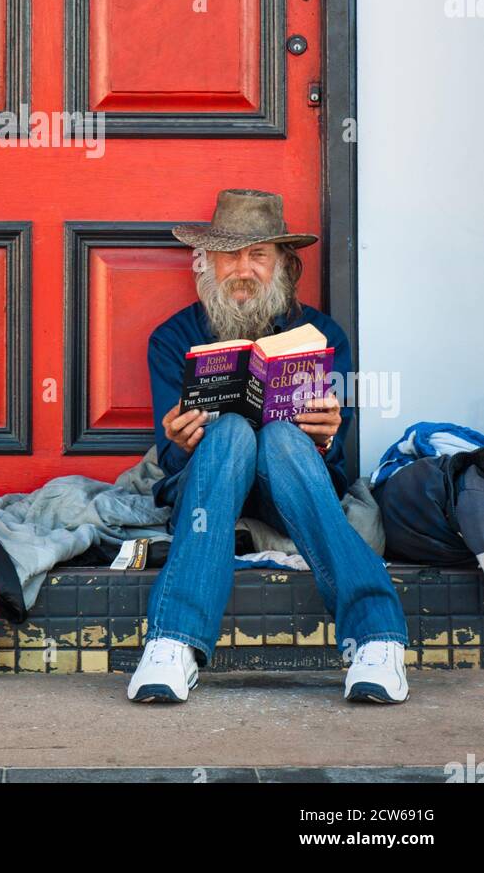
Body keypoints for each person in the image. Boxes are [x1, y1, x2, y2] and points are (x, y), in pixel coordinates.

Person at [127, 188, 409, 706]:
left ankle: (376, 640)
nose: (243, 269)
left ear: (284, 265)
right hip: (211, 491)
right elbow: (171, 465)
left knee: (281, 437)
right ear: (205, 263)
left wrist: (325, 436)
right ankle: (172, 644)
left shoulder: (323, 336)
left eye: (258, 255)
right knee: (231, 433)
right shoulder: (172, 339)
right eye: (230, 254)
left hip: (291, 493)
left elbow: (337, 467)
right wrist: (181, 439)